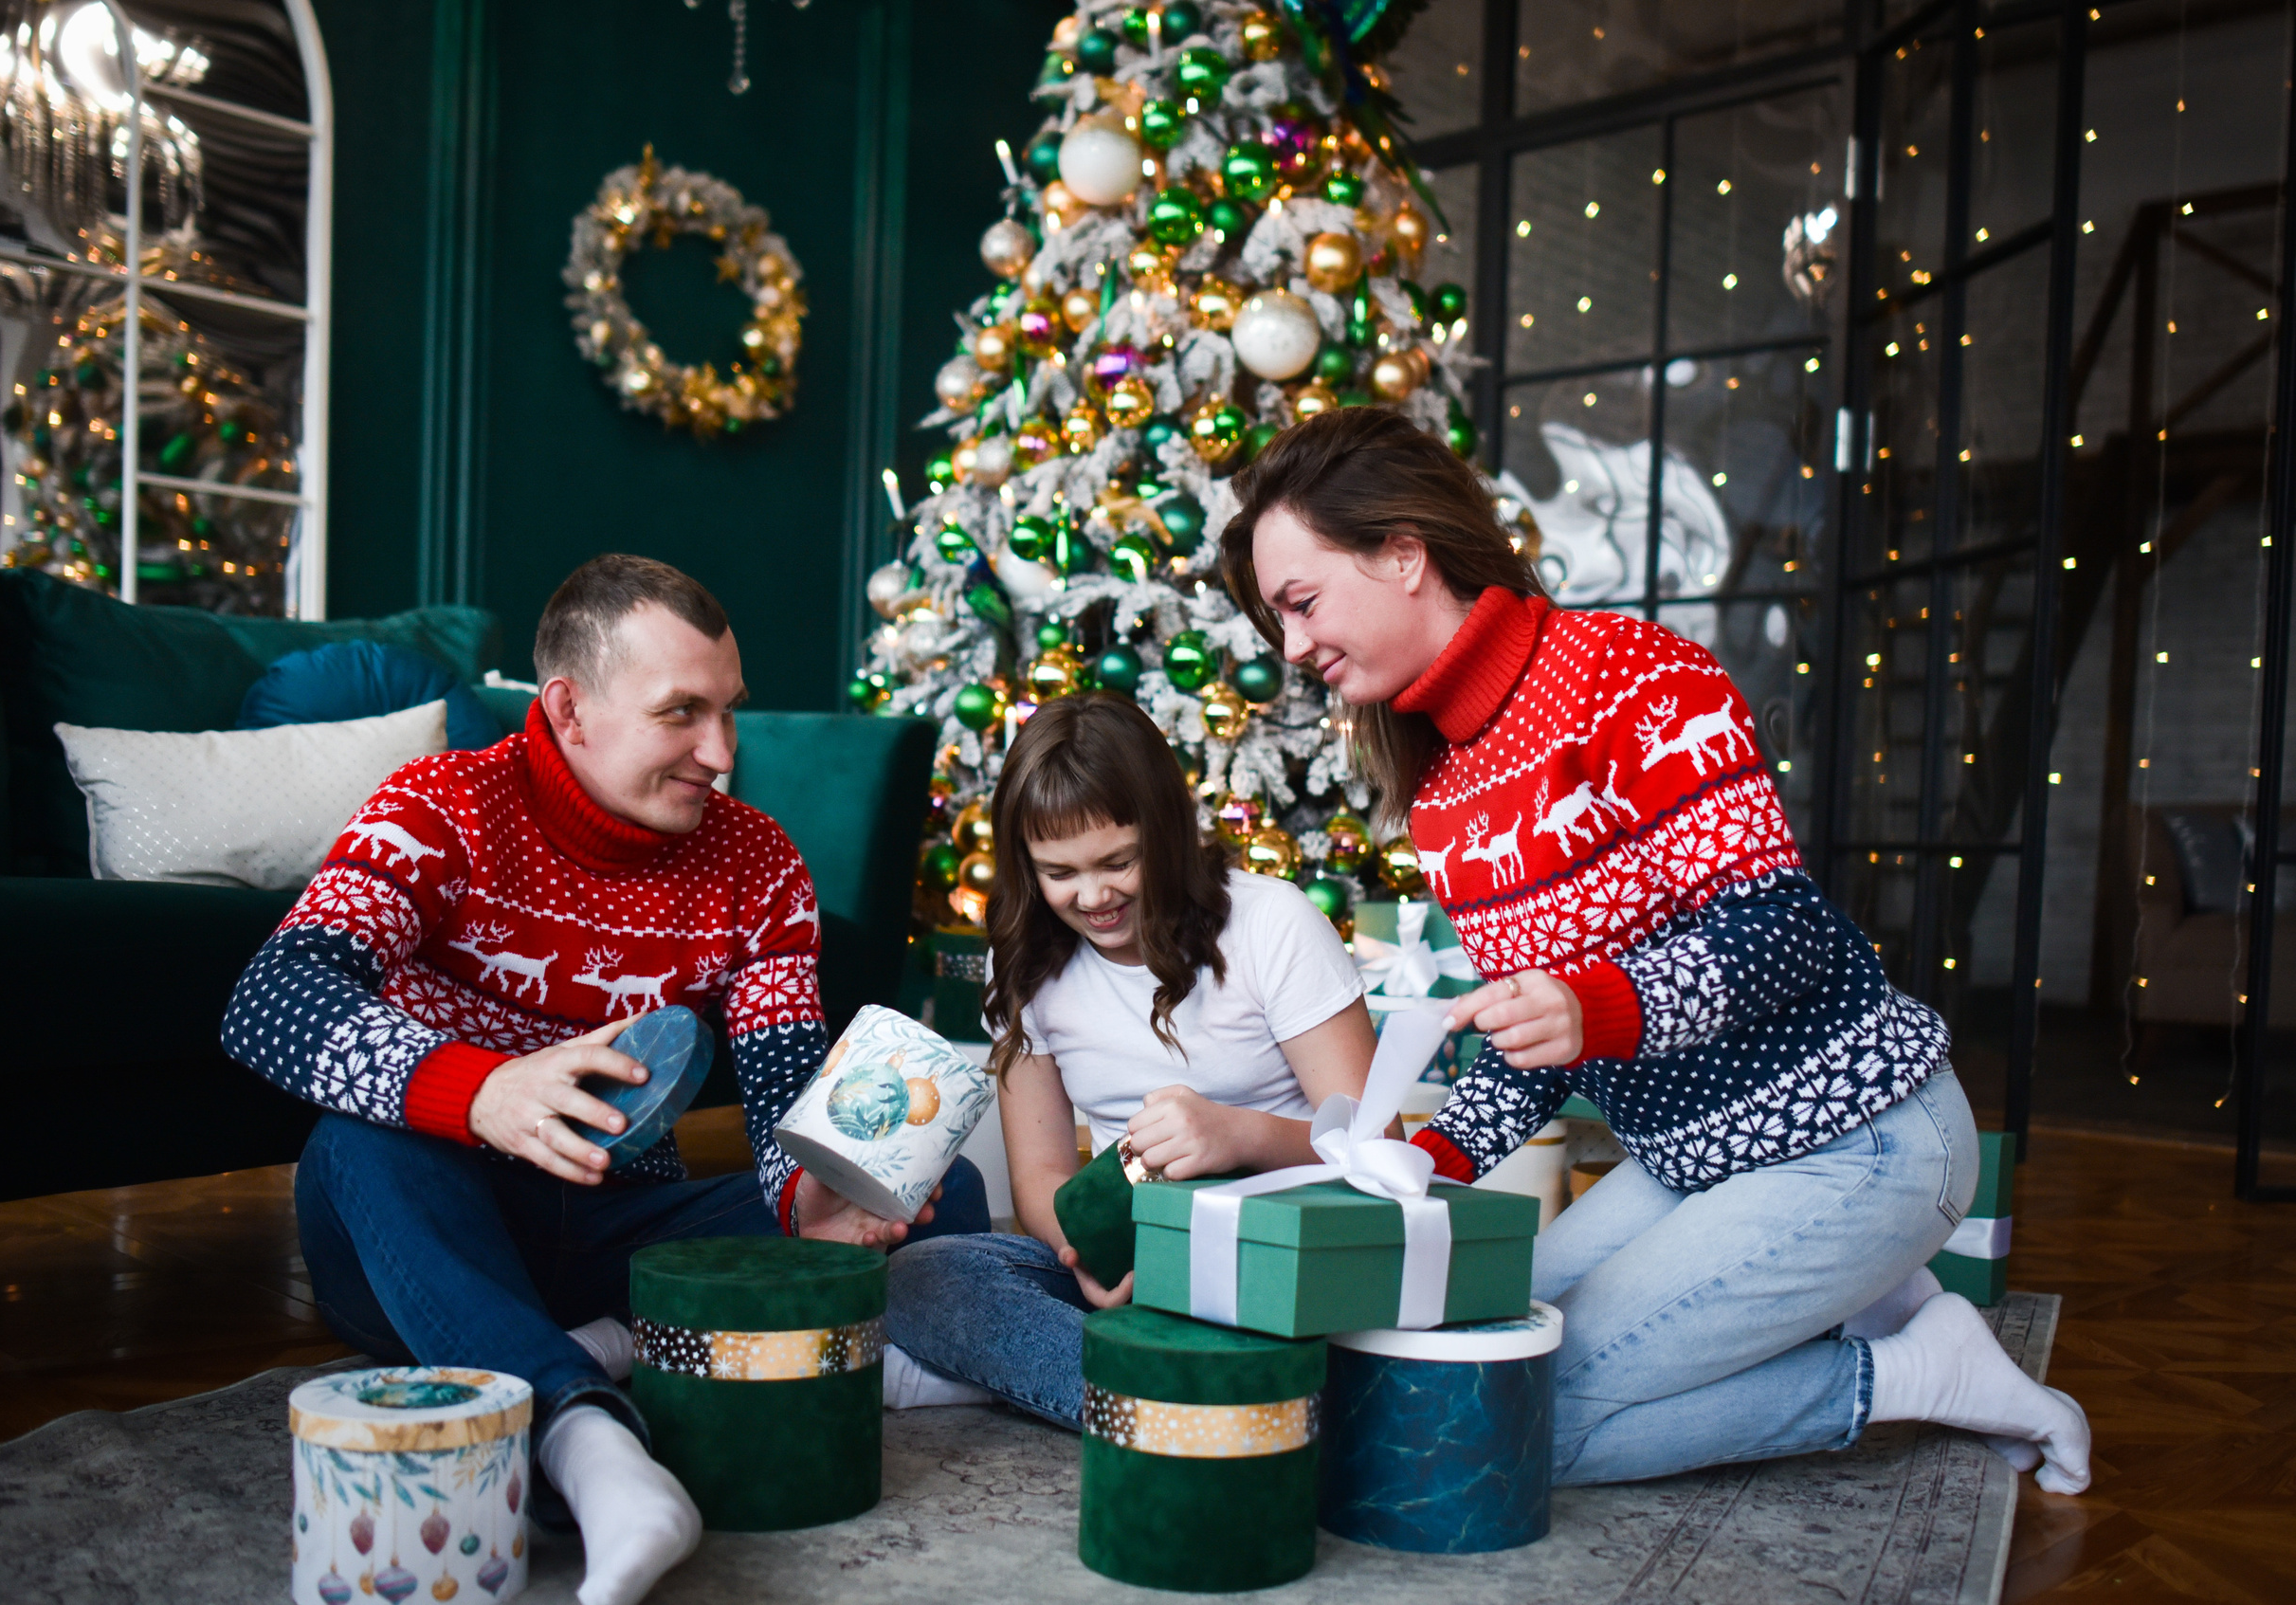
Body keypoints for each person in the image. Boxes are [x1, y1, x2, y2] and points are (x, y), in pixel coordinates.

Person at [1217, 407, 2091, 1495]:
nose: (1292, 649)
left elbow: (1783, 932)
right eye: (1277, 625)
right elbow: (1550, 1034)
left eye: (1300, 604)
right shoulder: (1442, 797)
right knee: (1478, 1341)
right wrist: (1427, 1165)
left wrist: (1597, 1004)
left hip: (1858, 1135)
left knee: (1532, 1419)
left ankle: (1911, 1367)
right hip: (1690, 1160)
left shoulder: (1626, 670)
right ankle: (1845, 1291)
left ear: (1402, 552)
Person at [222, 555, 986, 1605]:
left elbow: (783, 1101)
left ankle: (631, 1345)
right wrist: (483, 1091)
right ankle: (592, 1446)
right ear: (570, 709)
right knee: (356, 1141)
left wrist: (813, 1190)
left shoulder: (759, 864)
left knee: (947, 1192)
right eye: (682, 714)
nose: (721, 751)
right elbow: (267, 999)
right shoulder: (439, 804)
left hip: (616, 1233)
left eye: (729, 712)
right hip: (434, 1224)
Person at [882, 691, 1377, 1427]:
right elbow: (1042, 1179)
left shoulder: (1273, 923)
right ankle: (1179, 1402)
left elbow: (1382, 1154)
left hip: (1279, 1248)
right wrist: (1088, 1259)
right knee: (921, 1275)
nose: (1094, 895)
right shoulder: (1023, 961)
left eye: (1119, 860)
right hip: (1135, 1259)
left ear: (1167, 831)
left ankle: (1139, 1388)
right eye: (1059, 872)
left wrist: (1236, 1134)